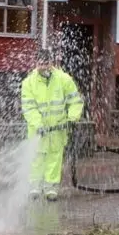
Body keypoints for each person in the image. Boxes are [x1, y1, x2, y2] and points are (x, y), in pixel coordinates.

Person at [20, 48, 84, 201]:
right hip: (38, 131)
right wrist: (38, 124)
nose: (44, 66)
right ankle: (35, 187)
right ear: (36, 63)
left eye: (46, 63)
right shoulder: (28, 83)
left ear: (51, 63)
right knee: (37, 158)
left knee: (54, 159)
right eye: (41, 63)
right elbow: (29, 107)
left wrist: (72, 118)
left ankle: (51, 188)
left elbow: (75, 101)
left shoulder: (64, 79)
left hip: (58, 129)